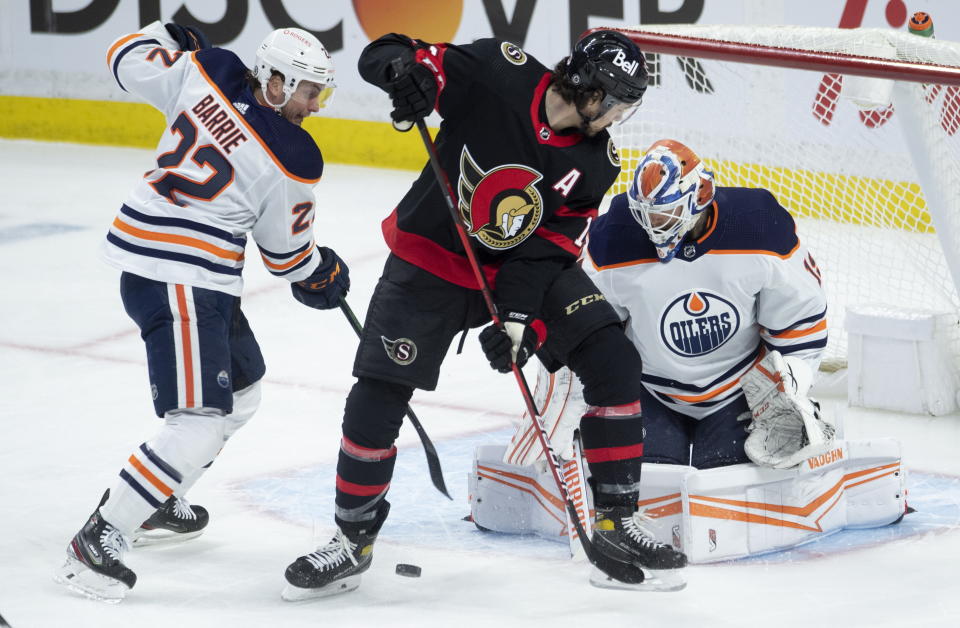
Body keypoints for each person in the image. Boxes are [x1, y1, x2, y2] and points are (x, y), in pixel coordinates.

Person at [281, 30, 687, 601]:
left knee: (613, 360)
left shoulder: (597, 164)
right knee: (377, 394)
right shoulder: (501, 70)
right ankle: (352, 540)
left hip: (520, 271)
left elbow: (548, 249)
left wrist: (519, 320)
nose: (619, 117)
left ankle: (618, 522)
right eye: (616, 103)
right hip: (432, 260)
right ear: (591, 93)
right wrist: (407, 76)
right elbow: (389, 51)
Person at [470, 140, 911, 562]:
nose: (652, 228)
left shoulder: (761, 227)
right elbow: (578, 312)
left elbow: (801, 321)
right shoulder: (614, 237)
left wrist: (789, 385)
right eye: (646, 216)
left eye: (664, 216)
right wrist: (540, 340)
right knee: (646, 482)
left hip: (739, 391)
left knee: (728, 476)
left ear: (698, 196)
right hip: (650, 390)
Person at [55, 22, 349, 603]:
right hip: (181, 275)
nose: (315, 106)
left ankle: (156, 496)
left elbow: (123, 57)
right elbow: (287, 256)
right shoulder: (293, 152)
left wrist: (168, 30)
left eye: (321, 92)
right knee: (198, 422)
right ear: (276, 80)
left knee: (242, 390)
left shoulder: (206, 71)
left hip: (172, 269)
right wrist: (323, 273)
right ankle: (100, 538)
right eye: (309, 91)